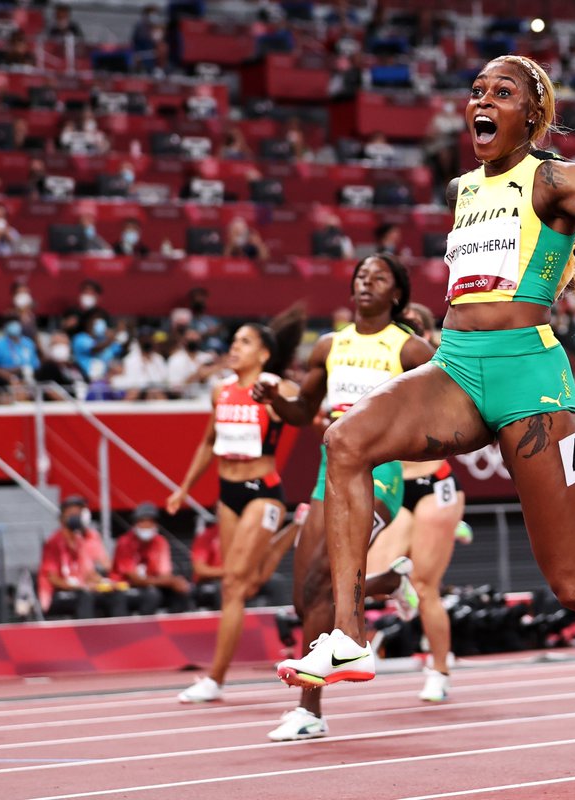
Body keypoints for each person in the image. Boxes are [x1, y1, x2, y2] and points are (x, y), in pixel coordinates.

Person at [273, 54, 575, 755]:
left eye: (501, 92)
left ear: (532, 113)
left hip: (529, 376)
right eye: (477, 91)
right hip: (456, 366)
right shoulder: (463, 188)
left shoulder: (554, 175)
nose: (483, 100)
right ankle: (350, 635)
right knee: (345, 441)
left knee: (569, 582)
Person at [253, 253, 433, 740]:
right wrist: (276, 397)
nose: (366, 283)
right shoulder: (330, 345)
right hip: (329, 472)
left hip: (379, 475)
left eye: (378, 277)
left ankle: (309, 711)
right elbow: (301, 410)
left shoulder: (411, 350)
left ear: (397, 293)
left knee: (320, 578)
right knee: (303, 594)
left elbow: (442, 408)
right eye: (360, 276)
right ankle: (387, 584)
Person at [168, 309, 307, 702]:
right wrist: (183, 489)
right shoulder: (221, 390)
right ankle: (292, 529)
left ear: (264, 354)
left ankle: (214, 679)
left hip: (261, 490)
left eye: (244, 342)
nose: (234, 347)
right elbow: (207, 444)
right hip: (227, 493)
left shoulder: (277, 388)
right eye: (233, 341)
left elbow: (307, 415)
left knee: (232, 585)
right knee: (242, 584)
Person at [364, 304, 466, 702]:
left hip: (433, 482)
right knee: (375, 576)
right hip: (393, 482)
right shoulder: (377, 366)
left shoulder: (438, 365)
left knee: (427, 586)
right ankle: (397, 584)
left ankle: (439, 668)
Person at [38, 498, 125, 618]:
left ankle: (119, 633)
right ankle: (89, 635)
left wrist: (106, 583)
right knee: (86, 597)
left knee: (115, 595)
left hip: (80, 590)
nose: (76, 517)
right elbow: (53, 579)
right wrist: (81, 587)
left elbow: (90, 573)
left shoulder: (79, 541)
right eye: (72, 514)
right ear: (62, 518)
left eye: (78, 514)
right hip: (57, 594)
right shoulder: (53, 543)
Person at [110, 503, 192, 614]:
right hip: (125, 587)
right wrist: (170, 581)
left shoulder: (160, 542)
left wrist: (174, 582)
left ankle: (175, 626)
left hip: (151, 584)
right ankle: (146, 629)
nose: (146, 525)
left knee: (181, 591)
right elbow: (135, 579)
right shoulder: (125, 543)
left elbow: (165, 574)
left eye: (149, 522)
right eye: (142, 521)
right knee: (152, 595)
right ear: (135, 523)